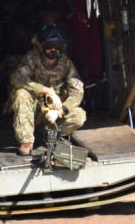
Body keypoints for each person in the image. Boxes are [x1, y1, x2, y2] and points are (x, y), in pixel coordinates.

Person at [9, 25, 86, 156]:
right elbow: (17, 78)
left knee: (79, 116)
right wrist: (45, 90)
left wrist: (61, 110)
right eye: (50, 47)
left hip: (53, 110)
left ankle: (49, 133)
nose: (53, 51)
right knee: (21, 94)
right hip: (34, 108)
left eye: (57, 48)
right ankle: (26, 141)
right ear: (42, 47)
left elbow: (77, 91)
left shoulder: (66, 63)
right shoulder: (32, 58)